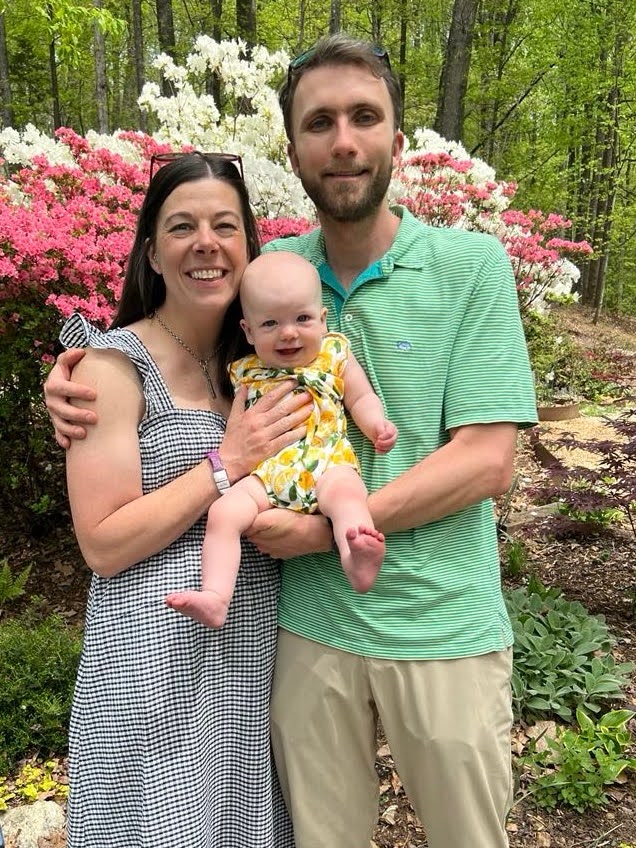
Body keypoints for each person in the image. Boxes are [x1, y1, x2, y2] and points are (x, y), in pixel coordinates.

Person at [45, 34, 538, 848]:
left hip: (441, 630)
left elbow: (488, 460)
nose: (343, 141)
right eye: (320, 123)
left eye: (364, 117)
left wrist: (327, 527)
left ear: (397, 142)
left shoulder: (471, 265)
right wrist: (68, 387)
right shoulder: (274, 281)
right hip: (302, 640)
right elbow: (161, 355)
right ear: (296, 148)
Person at [53, 151, 313, 848]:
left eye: (226, 226)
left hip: (251, 650)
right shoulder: (113, 366)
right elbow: (102, 545)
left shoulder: (264, 358)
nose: (207, 242)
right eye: (182, 227)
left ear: (249, 250)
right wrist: (225, 464)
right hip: (150, 656)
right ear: (153, 254)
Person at [166, 250, 398, 628]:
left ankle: (356, 561)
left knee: (348, 500)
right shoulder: (244, 371)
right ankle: (215, 595)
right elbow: (235, 424)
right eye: (270, 323)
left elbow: (360, 397)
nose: (288, 333)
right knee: (223, 514)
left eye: (302, 319)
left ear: (323, 320)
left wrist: (376, 426)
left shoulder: (334, 354)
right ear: (248, 332)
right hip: (269, 475)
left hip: (327, 463)